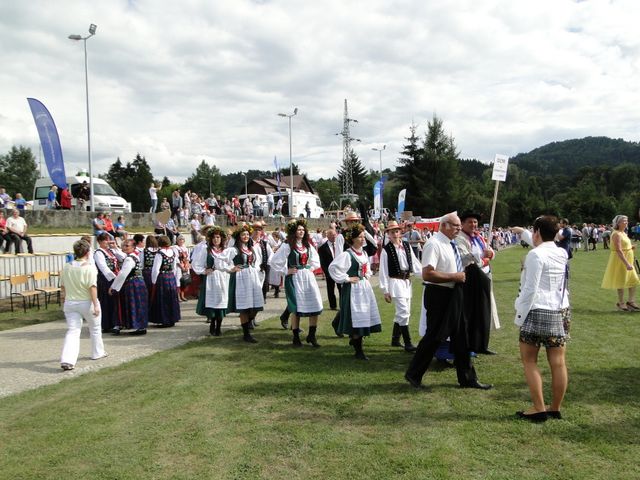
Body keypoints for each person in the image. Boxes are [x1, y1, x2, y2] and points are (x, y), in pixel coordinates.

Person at [404, 213, 492, 390]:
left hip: (454, 293)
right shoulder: (434, 244)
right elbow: (427, 274)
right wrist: (454, 276)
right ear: (444, 225)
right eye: (455, 225)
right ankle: (413, 374)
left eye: (459, 226)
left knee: (462, 336)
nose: (459, 229)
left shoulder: (451, 244)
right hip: (439, 295)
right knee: (435, 336)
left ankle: (467, 378)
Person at [514, 215, 569, 422]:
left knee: (529, 360)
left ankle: (538, 408)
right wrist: (523, 232)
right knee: (558, 362)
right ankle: (555, 407)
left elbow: (530, 289)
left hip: (538, 309)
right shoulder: (561, 252)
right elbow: (543, 244)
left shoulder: (535, 255)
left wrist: (519, 313)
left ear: (536, 232)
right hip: (560, 309)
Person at [329, 223, 381, 360]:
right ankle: (359, 351)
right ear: (352, 239)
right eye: (360, 237)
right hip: (353, 290)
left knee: (364, 315)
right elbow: (333, 268)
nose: (363, 239)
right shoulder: (347, 254)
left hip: (364, 287)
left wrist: (367, 275)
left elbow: (367, 268)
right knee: (356, 317)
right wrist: (346, 278)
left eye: (363, 237)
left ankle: (356, 342)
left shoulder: (363, 253)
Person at [270, 219, 323, 347]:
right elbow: (274, 261)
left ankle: (311, 335)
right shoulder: (287, 245)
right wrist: (286, 271)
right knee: (297, 308)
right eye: (299, 229)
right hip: (294, 278)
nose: (301, 231)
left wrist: (310, 268)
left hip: (307, 277)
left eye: (303, 230)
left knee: (315, 305)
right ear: (294, 231)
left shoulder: (307, 245)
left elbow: (316, 260)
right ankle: (295, 337)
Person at [59, 239, 107, 371]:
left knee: (73, 331)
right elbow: (92, 287)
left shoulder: (67, 266)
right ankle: (97, 352)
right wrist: (96, 304)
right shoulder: (90, 268)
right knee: (95, 328)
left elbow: (63, 286)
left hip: (70, 302)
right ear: (87, 252)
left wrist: (64, 300)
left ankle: (67, 359)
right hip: (86, 302)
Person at [456, 212, 498, 355]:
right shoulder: (460, 238)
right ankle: (470, 345)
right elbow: (465, 259)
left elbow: (490, 252)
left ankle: (482, 344)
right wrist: (483, 258)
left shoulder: (478, 237)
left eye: (475, 222)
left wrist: (490, 255)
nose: (473, 225)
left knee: (484, 311)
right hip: (471, 279)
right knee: (471, 312)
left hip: (484, 276)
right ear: (462, 223)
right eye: (470, 222)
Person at [378, 220, 421, 353]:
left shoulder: (406, 246)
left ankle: (395, 339)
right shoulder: (386, 250)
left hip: (406, 282)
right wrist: (385, 290)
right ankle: (408, 343)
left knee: (403, 312)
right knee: (403, 312)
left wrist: (425, 275)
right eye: (392, 232)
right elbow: (383, 271)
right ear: (388, 234)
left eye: (396, 231)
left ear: (400, 232)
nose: (395, 234)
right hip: (395, 283)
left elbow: (415, 263)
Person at [218, 224, 264, 343]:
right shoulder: (234, 249)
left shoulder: (251, 249)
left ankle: (248, 324)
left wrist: (255, 271)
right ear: (238, 236)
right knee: (244, 306)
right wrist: (230, 268)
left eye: (247, 234)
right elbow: (219, 259)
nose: (246, 236)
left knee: (256, 305)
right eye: (243, 234)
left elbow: (256, 262)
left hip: (252, 277)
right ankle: (246, 333)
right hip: (240, 278)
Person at [193, 226, 230, 336]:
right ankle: (212, 324)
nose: (215, 239)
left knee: (221, 302)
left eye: (218, 237)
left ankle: (219, 327)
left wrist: (230, 269)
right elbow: (196, 263)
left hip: (223, 278)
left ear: (221, 239)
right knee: (212, 302)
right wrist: (204, 271)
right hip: (211, 279)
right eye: (213, 237)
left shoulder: (226, 251)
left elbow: (231, 264)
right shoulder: (206, 250)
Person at [108, 239, 148, 335]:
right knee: (139, 304)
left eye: (127, 246)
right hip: (139, 282)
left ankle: (138, 326)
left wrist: (113, 287)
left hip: (133, 283)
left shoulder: (129, 259)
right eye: (124, 245)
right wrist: (115, 248)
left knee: (134, 304)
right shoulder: (134, 256)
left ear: (133, 247)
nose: (125, 247)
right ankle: (140, 326)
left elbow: (123, 274)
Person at [601, 214, 640, 311]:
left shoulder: (623, 233)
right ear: (618, 223)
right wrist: (627, 264)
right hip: (620, 260)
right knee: (621, 281)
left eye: (627, 221)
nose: (627, 222)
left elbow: (624, 246)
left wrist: (631, 247)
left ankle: (631, 301)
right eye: (624, 221)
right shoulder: (616, 234)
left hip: (628, 258)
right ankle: (621, 302)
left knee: (633, 280)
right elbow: (618, 250)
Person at [94, 233, 125, 333]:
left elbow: (123, 257)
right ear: (99, 242)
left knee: (115, 302)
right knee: (107, 302)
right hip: (106, 280)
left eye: (108, 240)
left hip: (115, 279)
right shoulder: (98, 253)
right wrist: (114, 278)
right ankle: (107, 324)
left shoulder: (111, 251)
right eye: (105, 240)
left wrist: (116, 248)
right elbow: (103, 267)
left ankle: (116, 322)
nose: (107, 242)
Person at [151, 235, 181, 328]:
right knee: (171, 298)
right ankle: (172, 319)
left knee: (163, 299)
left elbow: (156, 269)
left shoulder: (159, 254)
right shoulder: (173, 252)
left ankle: (164, 320)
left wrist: (153, 281)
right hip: (171, 276)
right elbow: (174, 267)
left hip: (162, 277)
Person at [318, 228, 340, 310]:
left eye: (335, 235)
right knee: (330, 290)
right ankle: (333, 306)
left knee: (341, 289)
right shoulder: (322, 248)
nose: (334, 236)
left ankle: (343, 305)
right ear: (328, 236)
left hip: (339, 271)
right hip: (329, 272)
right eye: (332, 235)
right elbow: (322, 263)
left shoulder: (340, 245)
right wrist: (327, 273)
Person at [173, 235, 191, 302]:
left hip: (185, 266)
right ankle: (178, 296)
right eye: (179, 240)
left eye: (182, 240)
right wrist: (181, 266)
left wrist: (187, 265)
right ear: (177, 241)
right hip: (179, 267)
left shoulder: (185, 248)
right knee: (178, 281)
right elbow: (176, 258)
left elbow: (188, 258)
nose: (181, 241)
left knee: (184, 281)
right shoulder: (175, 248)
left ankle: (182, 295)